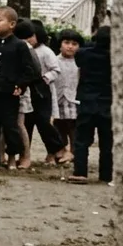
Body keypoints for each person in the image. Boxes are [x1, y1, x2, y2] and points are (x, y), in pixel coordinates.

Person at [0, 7, 37, 170]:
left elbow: (29, 70)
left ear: (12, 24)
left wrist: (20, 85)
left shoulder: (20, 46)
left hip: (9, 93)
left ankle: (13, 156)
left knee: (10, 126)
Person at [68, 26, 111, 185]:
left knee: (82, 139)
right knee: (107, 141)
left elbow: (79, 57)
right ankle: (106, 174)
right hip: (108, 102)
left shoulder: (84, 54)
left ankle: (80, 172)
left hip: (87, 101)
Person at [24, 21, 67, 165]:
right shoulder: (23, 49)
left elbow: (56, 70)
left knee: (43, 122)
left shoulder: (46, 52)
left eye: (31, 36)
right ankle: (25, 154)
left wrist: (46, 78)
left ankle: (58, 148)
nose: (28, 39)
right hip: (27, 90)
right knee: (27, 123)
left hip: (42, 90)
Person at [55, 28, 83, 160]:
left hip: (73, 99)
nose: (70, 46)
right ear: (60, 44)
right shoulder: (54, 60)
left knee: (73, 126)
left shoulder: (80, 63)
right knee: (58, 126)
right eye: (67, 42)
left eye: (74, 44)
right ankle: (61, 150)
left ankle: (74, 151)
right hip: (57, 98)